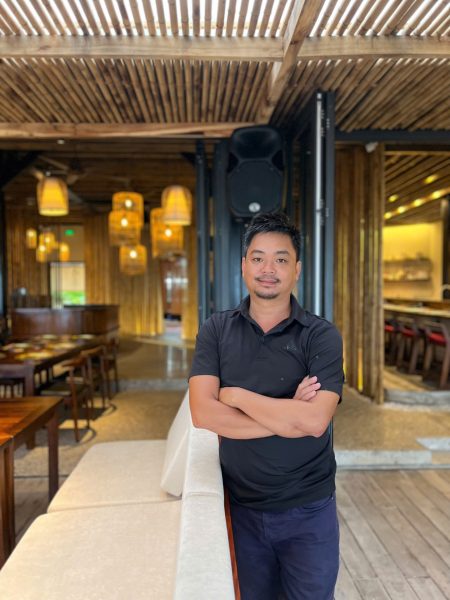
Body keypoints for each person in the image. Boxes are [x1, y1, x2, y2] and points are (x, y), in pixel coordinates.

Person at [189, 212, 344, 600]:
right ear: (244, 266)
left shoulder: (321, 336)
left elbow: (314, 421)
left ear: (297, 269)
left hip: (309, 511)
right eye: (258, 258)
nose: (268, 269)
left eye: (281, 259)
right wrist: (287, 414)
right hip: (240, 509)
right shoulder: (215, 330)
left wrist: (237, 397)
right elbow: (203, 414)